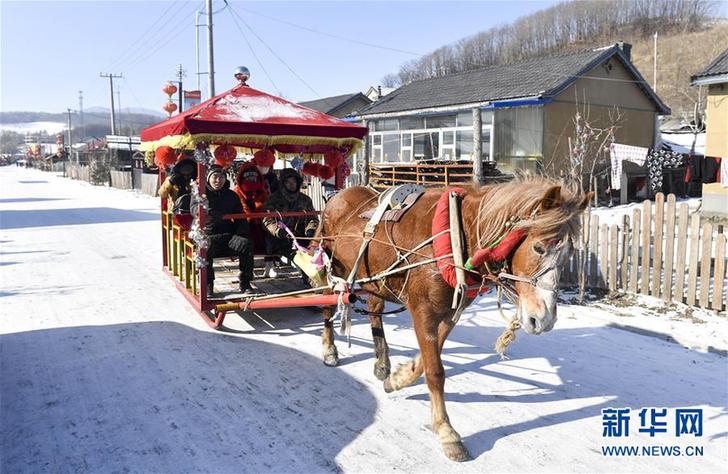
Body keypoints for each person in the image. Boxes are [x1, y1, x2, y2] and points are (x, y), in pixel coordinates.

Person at [195, 165, 255, 295]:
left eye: (221, 177)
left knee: (246, 244)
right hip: (208, 234)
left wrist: (241, 233)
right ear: (208, 178)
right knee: (204, 247)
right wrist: (208, 212)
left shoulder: (231, 195)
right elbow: (194, 209)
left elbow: (240, 216)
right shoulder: (200, 193)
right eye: (215, 177)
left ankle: (245, 282)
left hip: (227, 234)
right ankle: (207, 284)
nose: (218, 180)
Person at [262, 168, 318, 263]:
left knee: (316, 250)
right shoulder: (272, 199)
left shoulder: (305, 199)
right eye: (288, 182)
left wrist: (310, 230)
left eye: (294, 181)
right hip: (280, 238)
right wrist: (278, 231)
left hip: (301, 236)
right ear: (283, 184)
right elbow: (267, 220)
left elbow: (312, 218)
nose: (291, 185)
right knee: (298, 257)